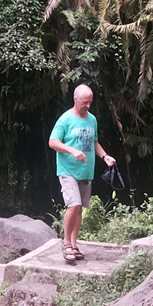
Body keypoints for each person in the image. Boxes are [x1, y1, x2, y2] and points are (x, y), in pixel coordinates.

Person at [48, 84, 115, 264]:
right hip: (67, 170)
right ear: (75, 99)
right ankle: (66, 243)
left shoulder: (91, 119)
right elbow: (52, 142)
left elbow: (94, 142)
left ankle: (74, 244)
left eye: (90, 102)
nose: (88, 105)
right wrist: (72, 151)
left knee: (80, 210)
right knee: (74, 205)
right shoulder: (65, 120)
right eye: (85, 102)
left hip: (86, 171)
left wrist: (105, 156)